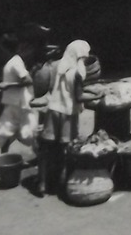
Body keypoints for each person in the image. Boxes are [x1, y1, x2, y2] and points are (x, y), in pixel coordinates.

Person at [36, 39, 94, 198]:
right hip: (68, 113)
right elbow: (79, 96)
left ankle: (41, 183)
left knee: (46, 147)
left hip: (53, 109)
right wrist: (98, 94)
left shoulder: (57, 67)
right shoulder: (77, 73)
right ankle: (63, 182)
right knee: (66, 148)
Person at [0, 34, 38, 154]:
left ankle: (40, 155)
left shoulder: (15, 62)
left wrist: (7, 86)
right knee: (8, 131)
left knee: (25, 132)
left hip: (18, 104)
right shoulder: (13, 62)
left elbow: (28, 80)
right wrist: (2, 88)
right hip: (14, 102)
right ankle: (4, 156)